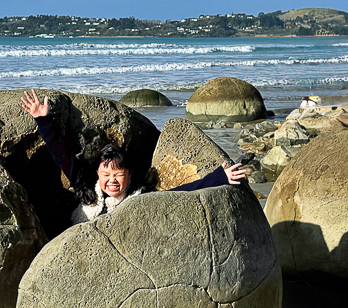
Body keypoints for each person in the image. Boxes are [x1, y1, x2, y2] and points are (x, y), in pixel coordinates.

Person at [20, 89, 247, 224]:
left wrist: (220, 177)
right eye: (106, 174)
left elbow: (181, 193)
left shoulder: (139, 198)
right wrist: (43, 120)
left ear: (129, 175)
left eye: (118, 174)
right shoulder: (85, 186)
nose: (112, 180)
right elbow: (61, 154)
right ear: (97, 174)